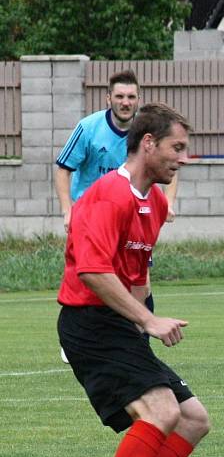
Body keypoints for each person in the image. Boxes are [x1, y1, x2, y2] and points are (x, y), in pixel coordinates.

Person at [57, 103, 210, 457]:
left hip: (120, 324)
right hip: (90, 322)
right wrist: (146, 322)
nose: (183, 158)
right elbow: (94, 271)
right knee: (160, 410)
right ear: (148, 143)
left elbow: (137, 274)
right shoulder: (108, 194)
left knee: (192, 419)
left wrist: (143, 320)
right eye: (176, 148)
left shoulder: (155, 203)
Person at [55, 69, 178, 361]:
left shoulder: (146, 136)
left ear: (138, 99)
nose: (125, 102)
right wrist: (67, 210)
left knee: (140, 279)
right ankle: (81, 336)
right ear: (108, 97)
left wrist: (168, 202)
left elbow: (169, 165)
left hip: (133, 218)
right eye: (120, 96)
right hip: (96, 220)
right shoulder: (88, 128)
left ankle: (138, 340)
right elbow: (63, 168)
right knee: (93, 275)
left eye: (131, 97)